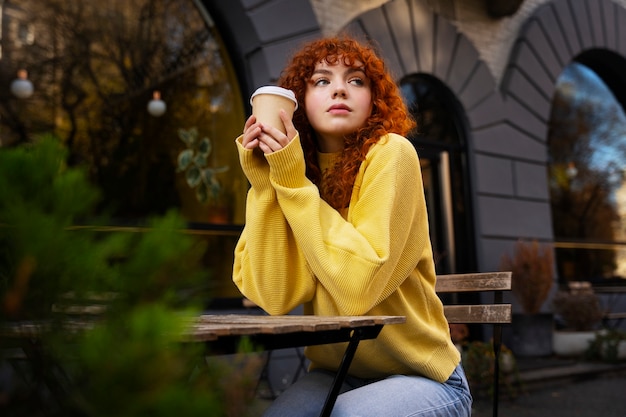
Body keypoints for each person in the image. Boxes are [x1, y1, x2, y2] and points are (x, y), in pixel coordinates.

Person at [232, 35, 472, 417]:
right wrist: (265, 185)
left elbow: (359, 288)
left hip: (425, 377)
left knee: (345, 416)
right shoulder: (298, 173)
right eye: (322, 81)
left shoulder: (392, 154)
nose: (340, 88)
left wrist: (292, 184)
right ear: (297, 102)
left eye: (356, 80)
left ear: (374, 99)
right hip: (338, 372)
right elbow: (274, 296)